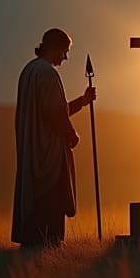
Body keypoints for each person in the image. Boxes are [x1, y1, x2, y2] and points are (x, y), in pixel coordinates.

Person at [12, 28, 97, 247]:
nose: (65, 57)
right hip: (48, 153)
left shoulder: (30, 70)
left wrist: (82, 101)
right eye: (65, 51)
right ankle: (49, 247)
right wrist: (71, 134)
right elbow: (55, 113)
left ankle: (36, 246)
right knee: (51, 201)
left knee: (39, 200)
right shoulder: (47, 73)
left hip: (34, 149)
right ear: (56, 47)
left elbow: (54, 109)